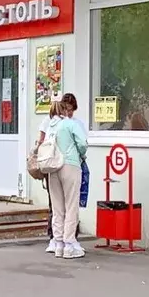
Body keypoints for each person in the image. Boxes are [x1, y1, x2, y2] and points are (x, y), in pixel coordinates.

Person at [35, 97, 88, 259]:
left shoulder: (50, 126)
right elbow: (82, 144)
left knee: (57, 208)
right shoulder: (70, 124)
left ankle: (57, 243)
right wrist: (80, 155)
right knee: (71, 205)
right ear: (65, 110)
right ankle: (69, 244)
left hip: (52, 168)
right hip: (70, 165)